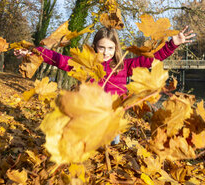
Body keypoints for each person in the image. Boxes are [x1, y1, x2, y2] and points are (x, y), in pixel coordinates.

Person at [15, 26, 195, 144]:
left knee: (112, 145)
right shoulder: (86, 64)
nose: (106, 52)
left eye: (110, 48)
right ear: (95, 47)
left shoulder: (124, 65)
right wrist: (32, 53)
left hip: (112, 119)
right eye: (102, 47)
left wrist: (173, 44)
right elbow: (58, 59)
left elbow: (151, 60)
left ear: (116, 48)